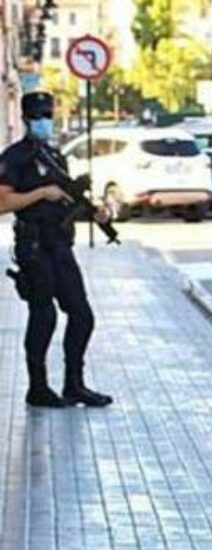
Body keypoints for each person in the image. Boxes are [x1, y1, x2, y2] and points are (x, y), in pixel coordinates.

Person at [0, 90, 113, 408]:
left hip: (60, 244)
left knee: (82, 314)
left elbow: (67, 199)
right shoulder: (14, 157)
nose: (44, 122)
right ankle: (38, 387)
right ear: (25, 119)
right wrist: (40, 194)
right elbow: (2, 202)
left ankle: (74, 384)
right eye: (38, 116)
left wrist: (96, 213)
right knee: (44, 315)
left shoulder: (55, 156)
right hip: (33, 246)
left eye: (48, 115)